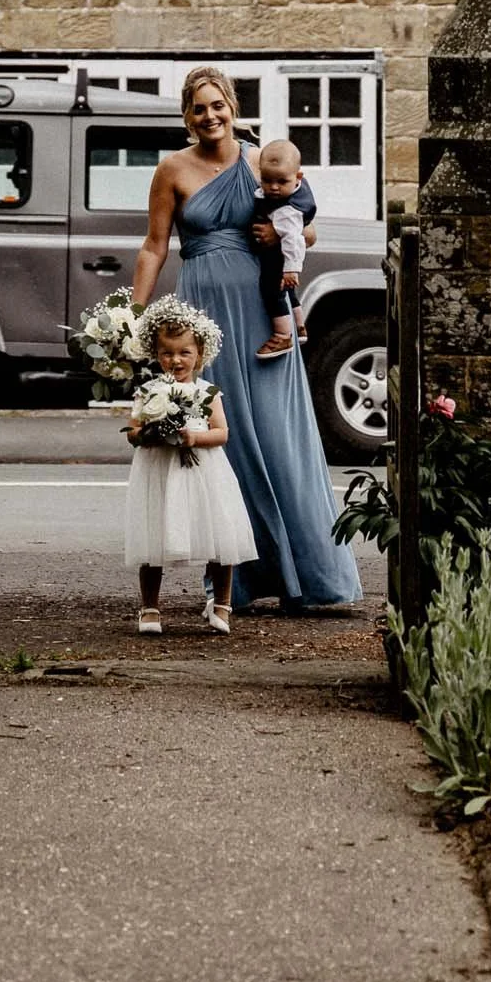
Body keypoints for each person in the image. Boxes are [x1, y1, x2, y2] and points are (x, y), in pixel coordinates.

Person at [130, 65, 362, 615]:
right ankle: (238, 582)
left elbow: (307, 228)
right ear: (186, 116)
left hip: (262, 313)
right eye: (198, 108)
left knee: (281, 437)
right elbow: (154, 247)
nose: (210, 116)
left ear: (233, 106)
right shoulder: (172, 170)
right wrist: (134, 316)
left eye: (219, 105)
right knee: (224, 441)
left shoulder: (263, 161)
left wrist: (274, 233)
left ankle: (310, 576)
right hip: (204, 316)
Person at [123, 295, 256, 636]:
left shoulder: (207, 391)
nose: (175, 360)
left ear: (200, 354)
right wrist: (150, 434)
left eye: (184, 353)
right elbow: (133, 432)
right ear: (156, 355)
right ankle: (149, 607)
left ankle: (222, 604)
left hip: (203, 472)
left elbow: (222, 433)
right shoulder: (148, 391)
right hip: (161, 473)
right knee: (154, 537)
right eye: (167, 353)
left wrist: (194, 439)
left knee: (217, 534)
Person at [251, 137, 317, 359]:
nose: (274, 187)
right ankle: (299, 326)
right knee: (288, 291)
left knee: (272, 292)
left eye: (281, 181)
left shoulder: (286, 210)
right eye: (267, 181)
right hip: (282, 258)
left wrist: (291, 268)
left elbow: (294, 240)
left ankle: (282, 335)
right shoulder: (295, 190)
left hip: (280, 258)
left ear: (298, 177)